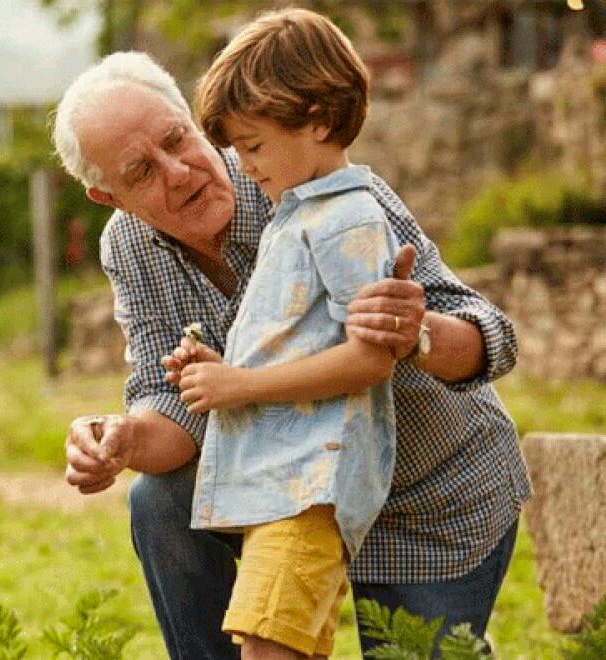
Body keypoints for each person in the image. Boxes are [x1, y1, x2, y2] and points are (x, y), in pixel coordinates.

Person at [52, 50, 530, 658]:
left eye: (178, 140)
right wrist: (119, 440)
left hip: (423, 492)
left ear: (196, 120)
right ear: (108, 196)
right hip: (286, 489)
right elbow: (173, 403)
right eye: (141, 172)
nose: (177, 172)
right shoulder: (128, 246)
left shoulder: (322, 187)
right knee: (161, 499)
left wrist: (417, 332)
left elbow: (493, 336)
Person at [165, 9, 402, 657]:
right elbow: (304, 343)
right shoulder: (294, 216)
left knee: (269, 650)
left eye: (254, 146)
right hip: (279, 487)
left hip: (309, 491)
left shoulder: (348, 218)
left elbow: (370, 361)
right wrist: (217, 369)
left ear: (319, 119)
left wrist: (241, 384)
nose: (242, 168)